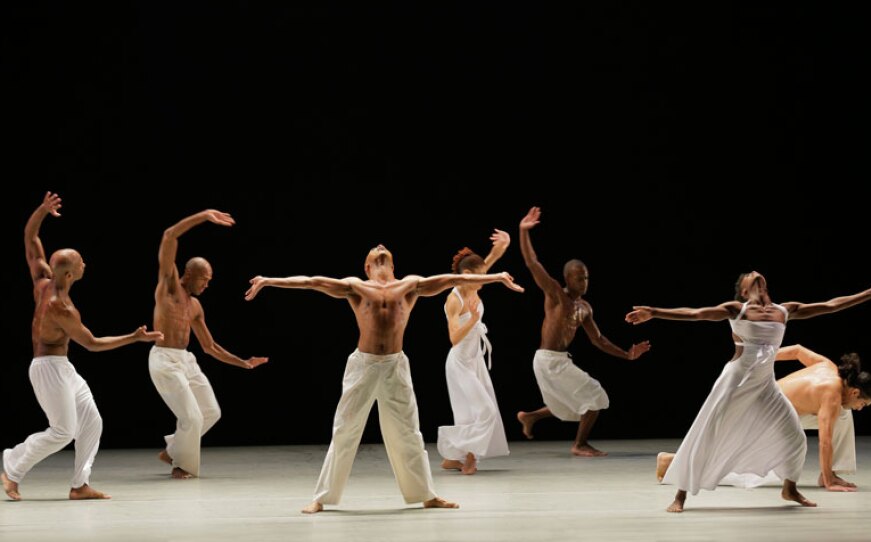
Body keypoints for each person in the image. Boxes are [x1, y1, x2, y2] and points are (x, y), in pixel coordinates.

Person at [245, 243, 524, 513]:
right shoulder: (356, 286)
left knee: (409, 433)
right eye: (374, 253)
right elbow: (311, 282)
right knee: (344, 431)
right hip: (363, 366)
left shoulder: (409, 285)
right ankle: (321, 498)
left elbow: (453, 279)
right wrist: (269, 280)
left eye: (384, 252)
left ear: (393, 265)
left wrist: (497, 277)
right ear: (367, 267)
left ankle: (427, 496)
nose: (380, 247)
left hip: (395, 366)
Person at [626, 272, 871, 512]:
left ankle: (790, 489)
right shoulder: (737, 310)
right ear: (745, 292)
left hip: (766, 386)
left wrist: (869, 293)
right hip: (735, 383)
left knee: (796, 439)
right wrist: (654, 312)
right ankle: (680, 495)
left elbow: (830, 305)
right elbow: (695, 314)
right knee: (706, 435)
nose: (756, 274)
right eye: (750, 279)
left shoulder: (784, 310)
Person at [2, 192, 163, 501]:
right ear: (69, 274)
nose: (85, 264)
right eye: (80, 263)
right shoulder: (61, 308)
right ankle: (12, 467)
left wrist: (42, 210)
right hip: (48, 370)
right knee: (63, 431)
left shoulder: (42, 279)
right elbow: (92, 344)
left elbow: (30, 236)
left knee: (91, 420)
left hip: (61, 367)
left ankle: (79, 485)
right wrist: (134, 337)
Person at [515, 207, 650, 457]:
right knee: (596, 395)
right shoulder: (556, 294)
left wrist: (627, 355)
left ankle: (530, 416)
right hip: (547, 360)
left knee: (572, 404)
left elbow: (598, 340)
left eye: (586, 278)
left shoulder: (585, 308)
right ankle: (579, 444)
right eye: (579, 278)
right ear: (567, 279)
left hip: (557, 361)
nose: (584, 282)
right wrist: (524, 231)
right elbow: (532, 263)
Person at [655, 345, 871, 492]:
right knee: (755, 474)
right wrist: (829, 482)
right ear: (855, 392)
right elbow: (825, 440)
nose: (860, 409)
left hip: (784, 415)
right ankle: (673, 463)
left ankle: (833, 472)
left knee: (844, 415)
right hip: (761, 415)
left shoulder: (829, 367)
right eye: (863, 404)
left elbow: (797, 350)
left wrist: (764, 357)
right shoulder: (832, 394)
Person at [150, 210, 268, 479]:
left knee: (211, 412)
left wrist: (243, 363)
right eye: (205, 279)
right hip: (164, 359)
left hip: (185, 359)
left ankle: (173, 449)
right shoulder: (169, 287)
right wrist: (204, 216)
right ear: (189, 274)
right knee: (192, 417)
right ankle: (181, 465)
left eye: (209, 280)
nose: (207, 284)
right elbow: (169, 235)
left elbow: (210, 347)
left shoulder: (195, 306)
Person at [438, 230, 511, 475]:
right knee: (484, 411)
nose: (485, 280)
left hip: (475, 359)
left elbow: (491, 260)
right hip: (459, 363)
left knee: (470, 413)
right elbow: (453, 338)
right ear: (468, 275)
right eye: (481, 276)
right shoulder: (454, 299)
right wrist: (473, 320)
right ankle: (468, 457)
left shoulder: (473, 283)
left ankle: (453, 457)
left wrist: (503, 245)